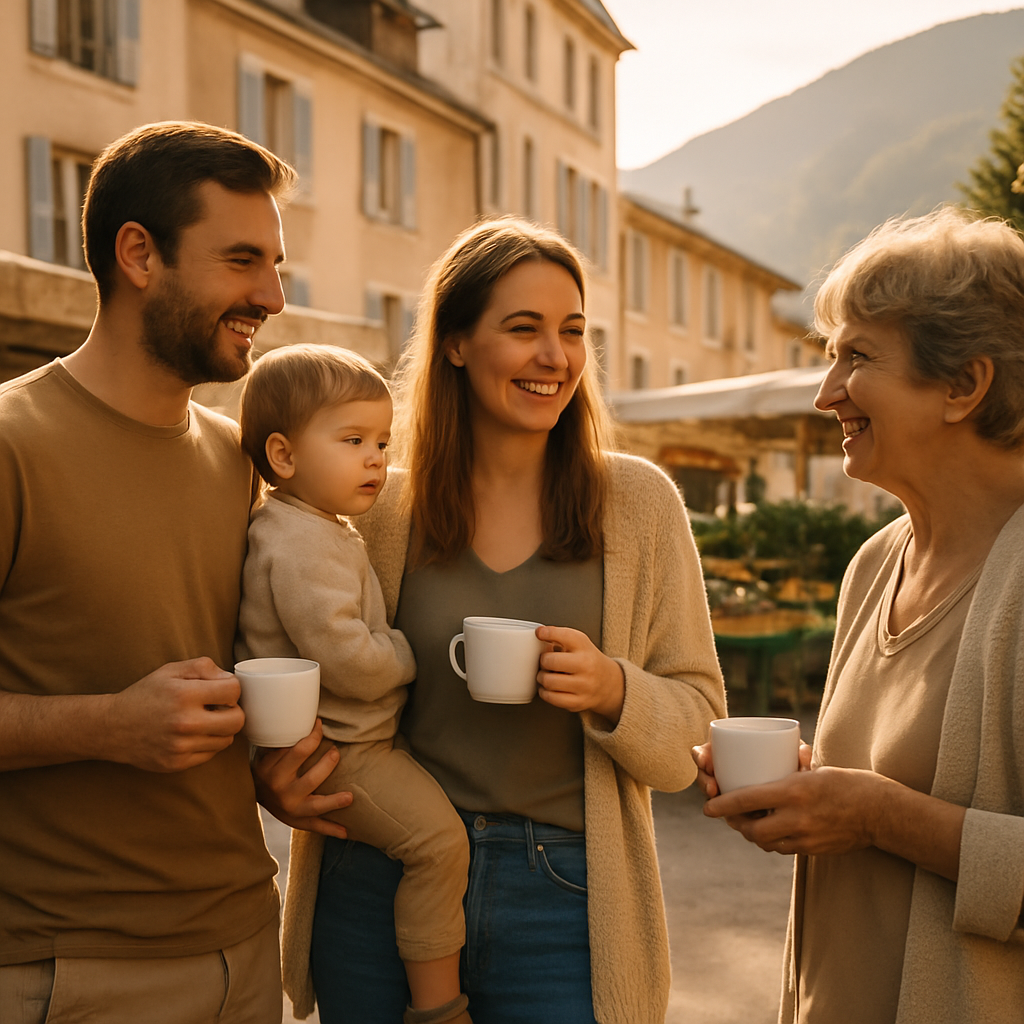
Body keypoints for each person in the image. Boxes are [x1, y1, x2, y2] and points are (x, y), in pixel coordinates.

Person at [262, 217, 726, 1024]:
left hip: (565, 892)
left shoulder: (639, 503)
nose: (557, 356)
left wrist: (613, 688)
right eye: (524, 329)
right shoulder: (372, 507)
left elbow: (697, 728)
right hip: (379, 872)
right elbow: (276, 650)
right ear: (455, 343)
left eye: (573, 331)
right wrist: (275, 778)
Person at [0, 121, 349, 1024]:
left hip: (244, 948)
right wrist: (108, 725)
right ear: (138, 254)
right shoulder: (10, 444)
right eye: (243, 260)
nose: (272, 296)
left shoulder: (244, 462)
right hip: (68, 971)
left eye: (276, 264)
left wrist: (271, 769)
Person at [694, 206, 1024, 1023]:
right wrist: (811, 795)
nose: (824, 392)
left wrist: (876, 815)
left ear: (963, 384)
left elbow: (886, 808)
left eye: (857, 357)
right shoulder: (875, 564)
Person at [236, 344, 472, 1024]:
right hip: (344, 752)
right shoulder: (301, 542)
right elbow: (347, 659)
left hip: (345, 744)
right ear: (283, 456)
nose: (376, 458)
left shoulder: (309, 525)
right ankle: (437, 1007)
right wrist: (407, 651)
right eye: (353, 440)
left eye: (382, 441)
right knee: (438, 845)